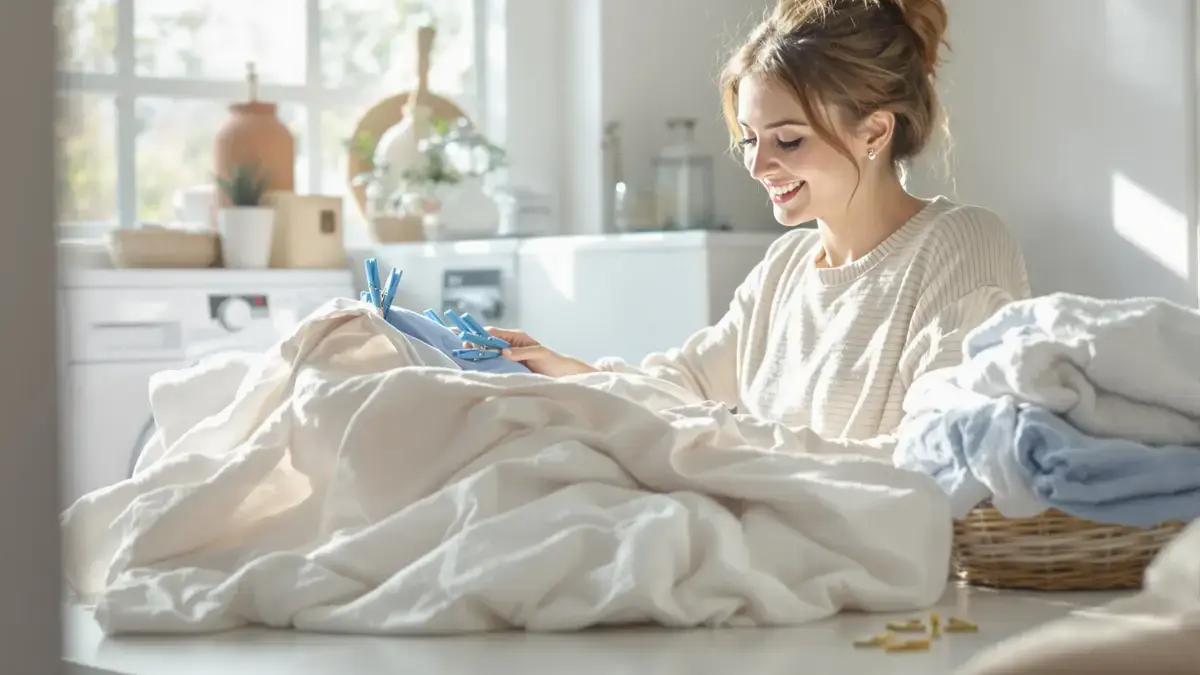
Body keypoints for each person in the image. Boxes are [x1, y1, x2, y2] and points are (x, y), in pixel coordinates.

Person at [482, 0, 1030, 446]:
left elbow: (939, 446)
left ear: (875, 132)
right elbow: (686, 383)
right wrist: (560, 369)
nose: (757, 164)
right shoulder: (785, 267)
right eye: (749, 138)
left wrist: (740, 448)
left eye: (788, 139)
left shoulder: (961, 244)